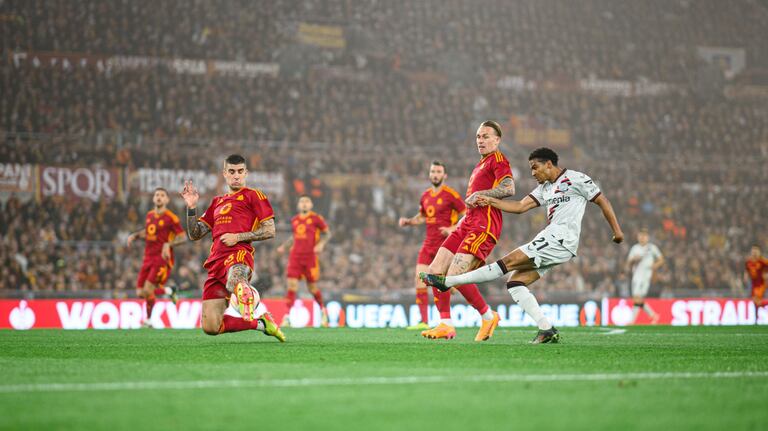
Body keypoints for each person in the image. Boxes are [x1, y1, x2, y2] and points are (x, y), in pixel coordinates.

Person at [421, 147, 624, 344]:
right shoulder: (545, 188)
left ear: (549, 164)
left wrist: (617, 231)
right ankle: (546, 329)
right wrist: (488, 200)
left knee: (507, 262)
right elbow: (519, 207)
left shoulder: (576, 178)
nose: (533, 173)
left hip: (560, 238)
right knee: (515, 283)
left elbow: (602, 200)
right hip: (552, 240)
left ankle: (448, 282)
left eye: (535, 167)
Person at [420, 121, 516, 341]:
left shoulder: (499, 160)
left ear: (497, 140)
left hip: (484, 225)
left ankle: (487, 315)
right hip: (467, 222)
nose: (480, 140)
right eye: (478, 137)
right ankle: (445, 324)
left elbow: (509, 188)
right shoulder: (480, 164)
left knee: (455, 276)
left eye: (485, 136)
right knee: (435, 271)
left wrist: (482, 195)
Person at [181, 154, 285, 341]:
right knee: (211, 327)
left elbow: (270, 230)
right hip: (215, 263)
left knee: (234, 282)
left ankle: (251, 295)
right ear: (225, 174)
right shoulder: (216, 202)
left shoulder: (254, 196)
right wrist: (191, 207)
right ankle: (262, 323)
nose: (236, 176)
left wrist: (238, 237)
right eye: (231, 172)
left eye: (239, 172)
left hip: (238, 255)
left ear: (246, 173)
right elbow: (195, 233)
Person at [398, 161, 465, 331]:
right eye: (433, 171)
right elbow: (422, 216)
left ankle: (448, 317)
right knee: (420, 279)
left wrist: (452, 228)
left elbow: (467, 215)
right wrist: (409, 221)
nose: (435, 174)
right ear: (429, 174)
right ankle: (423, 321)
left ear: (445, 175)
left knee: (445, 283)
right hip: (428, 244)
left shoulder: (451, 195)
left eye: (438, 171)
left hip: (446, 245)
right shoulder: (425, 196)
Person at [127, 188, 186, 327]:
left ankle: (148, 321)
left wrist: (168, 244)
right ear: (153, 198)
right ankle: (169, 290)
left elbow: (182, 237)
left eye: (162, 195)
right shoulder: (149, 215)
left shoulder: (171, 218)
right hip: (148, 257)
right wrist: (135, 235)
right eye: (157, 195)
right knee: (140, 292)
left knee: (148, 290)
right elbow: (148, 232)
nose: (159, 197)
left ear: (167, 200)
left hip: (161, 258)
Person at [276, 196, 332, 327]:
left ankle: (323, 311)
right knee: (291, 286)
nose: (304, 204)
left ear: (311, 205)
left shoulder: (316, 218)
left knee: (312, 287)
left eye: (307, 202)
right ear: (298, 205)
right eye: (302, 202)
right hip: (295, 256)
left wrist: (321, 244)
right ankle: (287, 317)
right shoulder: (294, 220)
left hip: (310, 258)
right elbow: (294, 237)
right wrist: (284, 247)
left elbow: (327, 233)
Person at [626, 229, 663, 324]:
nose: (642, 238)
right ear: (638, 237)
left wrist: (654, 266)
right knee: (638, 298)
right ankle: (653, 315)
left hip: (646, 277)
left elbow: (661, 259)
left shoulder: (652, 248)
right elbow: (628, 263)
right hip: (636, 276)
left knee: (637, 297)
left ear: (648, 237)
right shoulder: (635, 248)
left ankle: (632, 321)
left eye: (644, 236)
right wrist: (634, 259)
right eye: (640, 235)